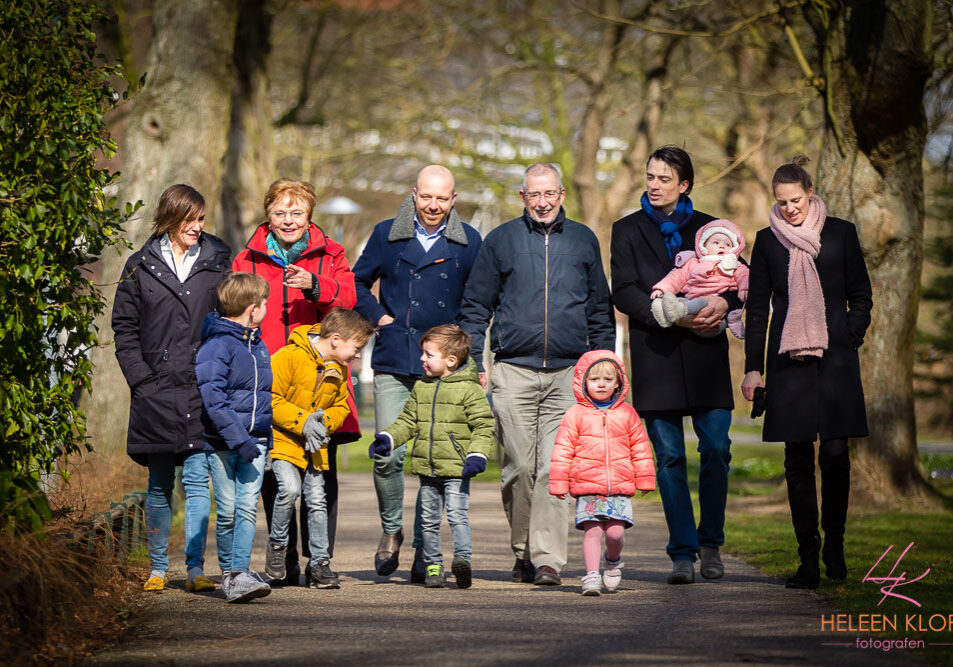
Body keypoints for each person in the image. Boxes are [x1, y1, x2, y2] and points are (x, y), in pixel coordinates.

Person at [459, 163, 615, 586]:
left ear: (561, 193)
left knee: (553, 469)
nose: (542, 202)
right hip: (513, 372)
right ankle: (522, 551)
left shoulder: (583, 239)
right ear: (522, 197)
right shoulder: (501, 240)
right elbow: (476, 306)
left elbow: (599, 309)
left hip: (569, 374)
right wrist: (475, 360)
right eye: (534, 195)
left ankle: (547, 560)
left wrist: (605, 366)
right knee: (517, 468)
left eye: (549, 194)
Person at [610, 146, 742, 584]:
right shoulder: (626, 229)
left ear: (684, 184)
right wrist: (671, 313)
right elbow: (624, 290)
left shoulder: (713, 228)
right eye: (650, 176)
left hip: (707, 356)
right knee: (668, 458)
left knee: (717, 449)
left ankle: (711, 543)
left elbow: (743, 281)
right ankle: (682, 552)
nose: (654, 184)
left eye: (664, 178)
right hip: (657, 355)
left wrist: (723, 302)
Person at [741, 156, 872, 590]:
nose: (789, 209)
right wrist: (753, 370)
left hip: (835, 360)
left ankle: (835, 545)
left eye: (795, 200)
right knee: (797, 461)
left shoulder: (841, 234)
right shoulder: (767, 242)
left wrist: (849, 334)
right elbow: (757, 310)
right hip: (788, 362)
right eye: (781, 202)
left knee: (835, 457)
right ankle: (807, 559)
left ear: (810, 193)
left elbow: (861, 295)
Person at [352, 165, 482, 582]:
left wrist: (464, 355)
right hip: (394, 358)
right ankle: (392, 530)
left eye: (442, 198)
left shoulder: (469, 242)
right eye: (426, 196)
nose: (433, 205)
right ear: (414, 194)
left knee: (436, 461)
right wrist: (380, 318)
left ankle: (425, 547)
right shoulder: (388, 233)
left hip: (443, 367)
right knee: (389, 453)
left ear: (454, 200)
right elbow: (356, 283)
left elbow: (476, 304)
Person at [233, 178, 358, 584]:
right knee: (278, 470)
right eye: (280, 213)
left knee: (322, 469)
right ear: (267, 215)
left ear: (310, 216)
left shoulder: (330, 253)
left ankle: (319, 558)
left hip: (323, 374)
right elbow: (234, 305)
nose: (288, 221)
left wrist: (315, 285)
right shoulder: (246, 258)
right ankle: (283, 556)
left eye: (297, 213)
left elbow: (349, 301)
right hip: (273, 375)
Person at [112, 184, 230, 592]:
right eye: (190, 220)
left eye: (201, 219)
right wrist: (140, 379)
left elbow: (228, 321)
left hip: (201, 389)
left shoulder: (217, 263)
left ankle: (195, 570)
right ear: (170, 218)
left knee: (198, 481)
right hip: (155, 391)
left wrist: (219, 374)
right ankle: (158, 569)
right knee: (159, 484)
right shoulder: (138, 266)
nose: (198, 227)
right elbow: (123, 329)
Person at [369, 325, 496, 589]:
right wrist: (388, 439)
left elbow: (484, 426)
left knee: (458, 515)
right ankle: (433, 565)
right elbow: (407, 421)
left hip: (458, 469)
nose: (422, 359)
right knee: (428, 522)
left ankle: (462, 560)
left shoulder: (470, 390)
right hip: (428, 470)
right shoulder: (422, 387)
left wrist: (477, 455)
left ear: (451, 360)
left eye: (428, 355)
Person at [267, 308, 376, 589]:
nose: (358, 355)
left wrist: (322, 423)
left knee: (317, 501)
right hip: (284, 441)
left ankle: (319, 564)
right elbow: (270, 398)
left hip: (315, 446)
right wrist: (303, 422)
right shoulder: (288, 357)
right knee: (289, 490)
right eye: (357, 347)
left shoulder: (338, 368)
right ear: (337, 339)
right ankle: (278, 547)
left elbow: (340, 405)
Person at [548, 350, 656, 595]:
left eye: (607, 379)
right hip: (587, 486)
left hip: (619, 485)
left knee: (616, 533)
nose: (601, 384)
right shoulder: (575, 413)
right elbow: (563, 449)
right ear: (582, 382)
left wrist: (645, 477)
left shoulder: (627, 413)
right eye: (594, 379)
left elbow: (640, 448)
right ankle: (591, 575)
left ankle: (613, 561)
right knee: (593, 532)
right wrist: (559, 483)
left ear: (618, 383)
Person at [194, 273, 273, 603]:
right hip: (224, 443)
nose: (267, 308)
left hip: (255, 442)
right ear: (252, 308)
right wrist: (237, 438)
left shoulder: (258, 344)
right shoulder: (217, 345)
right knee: (226, 510)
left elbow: (263, 396)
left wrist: (260, 437)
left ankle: (239, 572)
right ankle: (230, 574)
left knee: (246, 508)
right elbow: (213, 397)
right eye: (265, 303)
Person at [650, 219, 749, 338]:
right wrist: (661, 289)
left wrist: (744, 290)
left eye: (727, 244)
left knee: (701, 303)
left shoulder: (735, 264)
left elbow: (745, 276)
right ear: (703, 246)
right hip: (691, 300)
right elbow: (676, 277)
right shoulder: (692, 262)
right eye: (716, 243)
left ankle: (678, 311)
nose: (722, 246)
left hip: (712, 308)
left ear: (734, 249)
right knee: (675, 301)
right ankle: (666, 315)